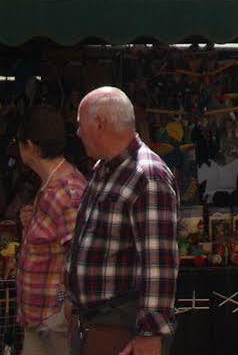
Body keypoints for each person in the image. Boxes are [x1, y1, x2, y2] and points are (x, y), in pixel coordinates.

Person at [66, 87, 178, 355]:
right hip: (99, 321)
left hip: (121, 323)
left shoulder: (147, 175)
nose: (78, 133)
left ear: (99, 124)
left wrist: (150, 333)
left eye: (81, 125)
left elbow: (159, 263)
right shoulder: (105, 168)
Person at [15, 105, 87, 355]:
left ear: (31, 146)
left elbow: (79, 254)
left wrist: (66, 310)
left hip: (53, 318)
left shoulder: (65, 191)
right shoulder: (51, 185)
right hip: (38, 316)